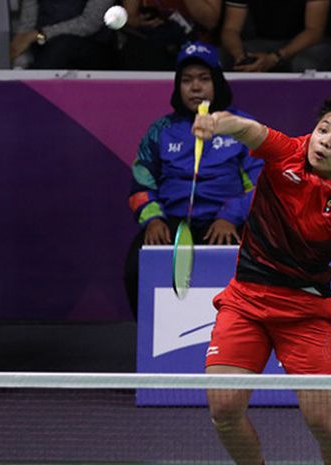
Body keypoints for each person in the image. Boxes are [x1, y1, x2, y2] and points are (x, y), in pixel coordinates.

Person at [191, 96, 331, 465]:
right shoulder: (287, 150)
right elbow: (248, 129)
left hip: (305, 312)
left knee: (322, 419)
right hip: (246, 301)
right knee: (224, 408)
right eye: (323, 130)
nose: (325, 141)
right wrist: (217, 124)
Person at [124, 41, 263, 316]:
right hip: (171, 225)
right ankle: (154, 344)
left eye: (203, 79)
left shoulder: (242, 126)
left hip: (226, 225)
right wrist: (153, 220)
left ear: (218, 83)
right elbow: (141, 185)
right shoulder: (161, 130)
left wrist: (230, 217)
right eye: (187, 80)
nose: (195, 87)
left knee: (255, 276)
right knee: (134, 270)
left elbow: (263, 184)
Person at [221, 0, 331, 72]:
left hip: (309, 44)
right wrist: (240, 56)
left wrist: (274, 58)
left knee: (303, 64)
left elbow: (314, 31)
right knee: (222, 58)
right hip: (262, 43)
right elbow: (231, 29)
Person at [9, 0, 117, 70]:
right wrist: (19, 46)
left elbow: (90, 23)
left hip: (91, 47)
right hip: (42, 44)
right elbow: (27, 23)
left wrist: (40, 34)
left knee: (62, 46)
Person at [117, 0, 222, 70]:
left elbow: (210, 22)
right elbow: (129, 17)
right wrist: (139, 21)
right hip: (152, 45)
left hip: (196, 46)